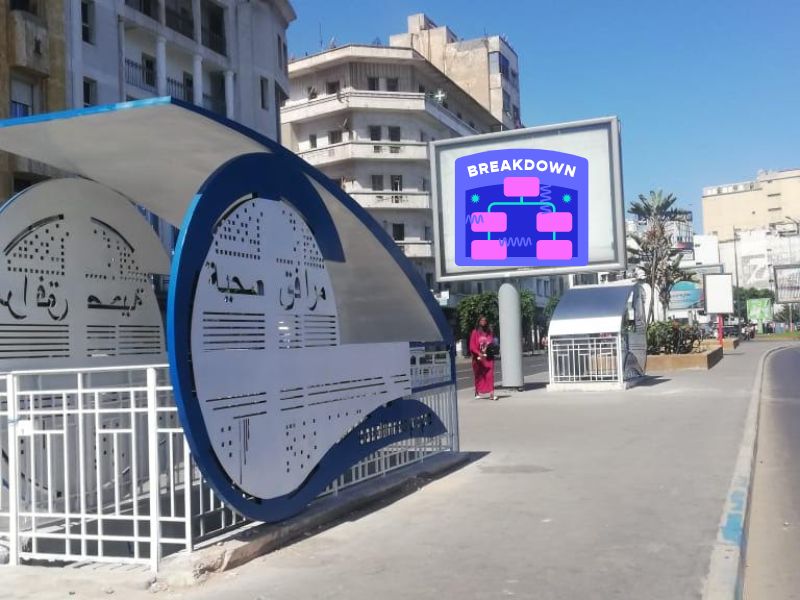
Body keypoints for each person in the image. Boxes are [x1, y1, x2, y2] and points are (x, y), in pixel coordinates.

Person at [469, 315, 496, 401]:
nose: (483, 322)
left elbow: (491, 342)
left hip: (488, 357)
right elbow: (472, 346)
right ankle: (477, 392)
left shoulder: (489, 332)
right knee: (478, 375)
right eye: (482, 320)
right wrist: (478, 353)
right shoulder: (475, 332)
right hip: (478, 358)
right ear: (479, 322)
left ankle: (492, 394)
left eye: (485, 320)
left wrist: (489, 347)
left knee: (490, 375)